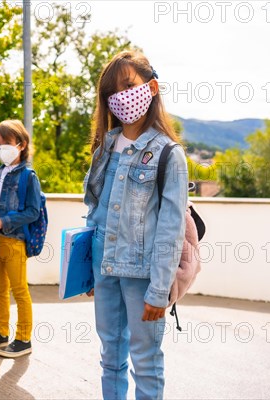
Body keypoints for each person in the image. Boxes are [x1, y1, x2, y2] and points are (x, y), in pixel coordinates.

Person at [83, 50, 188, 399]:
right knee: (109, 357)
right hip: (104, 267)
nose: (122, 96)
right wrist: (88, 270)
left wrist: (160, 290)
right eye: (113, 90)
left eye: (129, 85)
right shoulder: (106, 146)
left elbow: (170, 228)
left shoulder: (168, 153)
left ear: (152, 87)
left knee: (146, 361)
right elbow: (95, 211)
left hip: (142, 276)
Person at [0, 119, 42, 358]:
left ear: (21, 144)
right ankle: (0, 333)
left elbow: (32, 212)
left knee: (19, 290)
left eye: (5, 143)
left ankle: (23, 339)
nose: (0, 149)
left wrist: (4, 221)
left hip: (14, 241)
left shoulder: (28, 177)